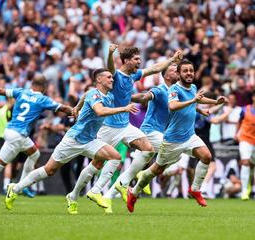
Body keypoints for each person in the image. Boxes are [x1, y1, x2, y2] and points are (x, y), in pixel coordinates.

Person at [4, 68, 138, 214]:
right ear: (99, 80)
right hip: (73, 139)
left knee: (115, 157)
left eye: (112, 78)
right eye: (108, 77)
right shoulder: (94, 93)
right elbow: (99, 111)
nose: (112, 79)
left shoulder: (108, 96)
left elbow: (84, 95)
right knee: (49, 170)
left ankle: (88, 193)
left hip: (90, 140)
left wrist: (77, 108)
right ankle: (15, 188)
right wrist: (124, 108)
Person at [71, 44, 183, 211]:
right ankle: (73, 195)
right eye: (136, 59)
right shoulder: (114, 75)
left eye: (139, 58)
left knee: (148, 148)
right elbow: (110, 67)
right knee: (97, 164)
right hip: (108, 127)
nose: (140, 61)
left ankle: (108, 188)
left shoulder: (134, 75)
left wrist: (172, 60)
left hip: (125, 125)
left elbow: (154, 68)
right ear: (126, 61)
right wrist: (110, 53)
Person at [126, 60, 228, 212]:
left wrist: (215, 101)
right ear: (179, 74)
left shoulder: (193, 87)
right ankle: (134, 192)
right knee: (157, 170)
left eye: (191, 70)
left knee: (206, 156)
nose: (189, 73)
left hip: (190, 135)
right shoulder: (173, 89)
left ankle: (195, 189)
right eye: (185, 71)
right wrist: (194, 100)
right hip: (173, 139)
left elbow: (196, 100)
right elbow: (173, 106)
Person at [0, 74, 74, 199]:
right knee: (1, 166)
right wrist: (75, 111)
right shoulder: (43, 100)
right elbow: (64, 108)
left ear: (31, 84)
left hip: (10, 131)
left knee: (32, 155)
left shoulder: (21, 92)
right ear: (43, 87)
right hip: (19, 135)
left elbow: (0, 91)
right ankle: (21, 187)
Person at [100, 63, 179, 213]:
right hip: (149, 132)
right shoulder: (160, 89)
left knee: (130, 171)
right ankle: (145, 173)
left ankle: (110, 195)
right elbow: (144, 96)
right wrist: (126, 98)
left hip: (157, 134)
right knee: (176, 150)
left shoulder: (177, 92)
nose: (178, 73)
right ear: (167, 76)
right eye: (175, 71)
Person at [236, 90, 255, 200]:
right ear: (253, 97)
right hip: (245, 138)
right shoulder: (244, 109)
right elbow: (239, 121)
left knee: (252, 165)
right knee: (245, 161)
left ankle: (250, 187)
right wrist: (236, 133)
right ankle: (244, 190)